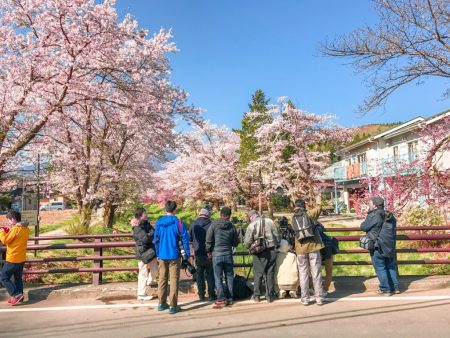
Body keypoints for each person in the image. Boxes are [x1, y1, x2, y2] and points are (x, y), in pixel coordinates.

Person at [154, 200, 190, 314]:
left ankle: (161, 303)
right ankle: (173, 306)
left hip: (162, 254)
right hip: (174, 254)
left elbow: (156, 240)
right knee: (174, 280)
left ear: (165, 209)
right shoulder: (178, 223)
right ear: (175, 210)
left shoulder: (159, 222)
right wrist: (186, 255)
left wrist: (158, 253)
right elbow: (185, 239)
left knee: (162, 279)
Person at [361, 196, 399, 296]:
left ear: (374, 205)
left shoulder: (374, 215)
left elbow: (363, 227)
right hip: (390, 245)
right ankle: (395, 287)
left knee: (380, 267)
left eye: (370, 203)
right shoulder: (390, 215)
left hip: (378, 245)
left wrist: (367, 215)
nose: (369, 205)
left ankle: (385, 289)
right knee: (390, 266)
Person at [292, 199, 325, 306]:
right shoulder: (310, 214)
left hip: (300, 248)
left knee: (303, 274)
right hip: (314, 247)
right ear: (304, 206)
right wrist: (312, 203)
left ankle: (305, 298)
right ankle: (319, 297)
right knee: (316, 273)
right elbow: (319, 206)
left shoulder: (292, 217)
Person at [244, 210, 280, 303]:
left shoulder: (252, 225)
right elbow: (276, 235)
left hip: (259, 252)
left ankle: (257, 296)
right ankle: (270, 296)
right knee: (270, 272)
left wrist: (248, 247)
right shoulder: (270, 221)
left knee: (258, 273)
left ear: (252, 217)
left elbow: (247, 241)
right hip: (272, 249)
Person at [206, 206, 239, 307]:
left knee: (218, 277)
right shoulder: (232, 226)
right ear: (229, 216)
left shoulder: (213, 225)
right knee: (229, 276)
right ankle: (229, 298)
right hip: (228, 255)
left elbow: (208, 240)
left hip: (217, 255)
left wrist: (208, 252)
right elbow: (235, 243)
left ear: (221, 214)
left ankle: (220, 298)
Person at [0, 210, 29, 306]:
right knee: (17, 278)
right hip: (21, 257)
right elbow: (16, 239)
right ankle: (19, 296)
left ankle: (16, 294)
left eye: (8, 220)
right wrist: (9, 231)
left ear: (13, 219)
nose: (8, 222)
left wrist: (2, 232)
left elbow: (5, 240)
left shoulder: (15, 229)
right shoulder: (25, 229)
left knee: (3, 277)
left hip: (13, 258)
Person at [189, 207, 216, 301]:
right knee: (210, 274)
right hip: (210, 253)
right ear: (208, 215)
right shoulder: (212, 224)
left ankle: (201, 295)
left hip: (198, 253)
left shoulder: (193, 224)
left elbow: (190, 239)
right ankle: (212, 294)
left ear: (200, 214)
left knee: (199, 274)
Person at [131, 207, 158, 301]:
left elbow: (153, 232)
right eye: (145, 213)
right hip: (142, 253)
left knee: (155, 270)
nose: (146, 214)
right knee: (143, 273)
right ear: (140, 216)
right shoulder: (137, 227)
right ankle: (141, 294)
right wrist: (150, 235)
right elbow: (145, 239)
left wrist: (149, 234)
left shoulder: (146, 224)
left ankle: (151, 280)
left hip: (150, 251)